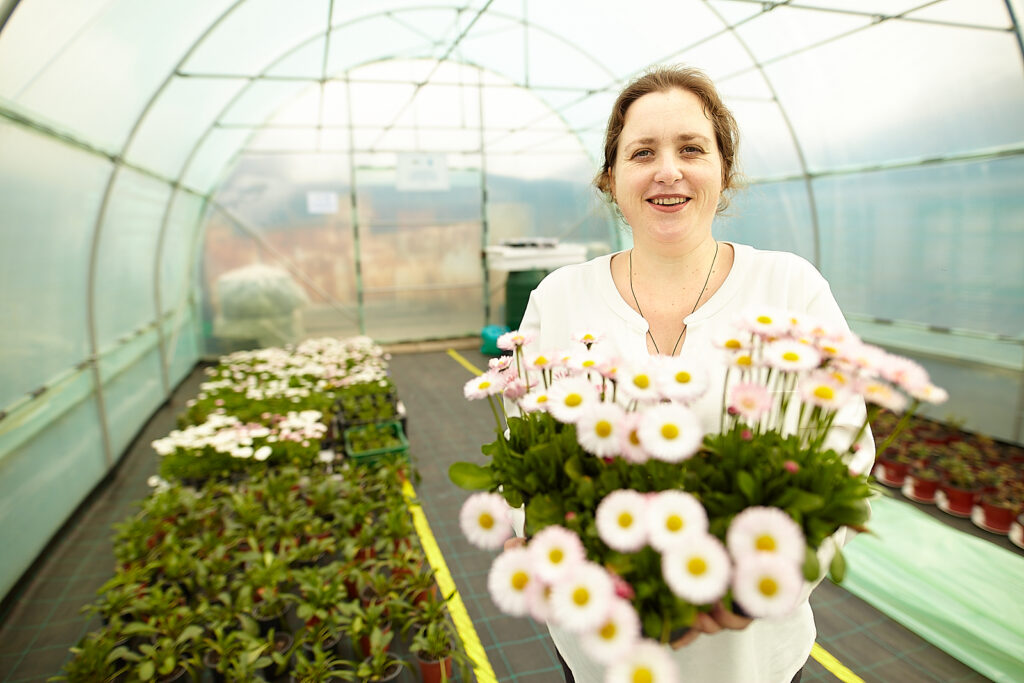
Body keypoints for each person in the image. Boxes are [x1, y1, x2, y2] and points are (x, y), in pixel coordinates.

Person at [510, 65, 875, 683]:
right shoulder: (560, 297)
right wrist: (564, 559)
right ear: (612, 178)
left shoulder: (789, 288)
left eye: (691, 149)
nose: (667, 170)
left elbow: (845, 454)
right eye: (642, 152)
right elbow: (524, 470)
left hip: (752, 651)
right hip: (603, 645)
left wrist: (762, 581)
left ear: (724, 170)